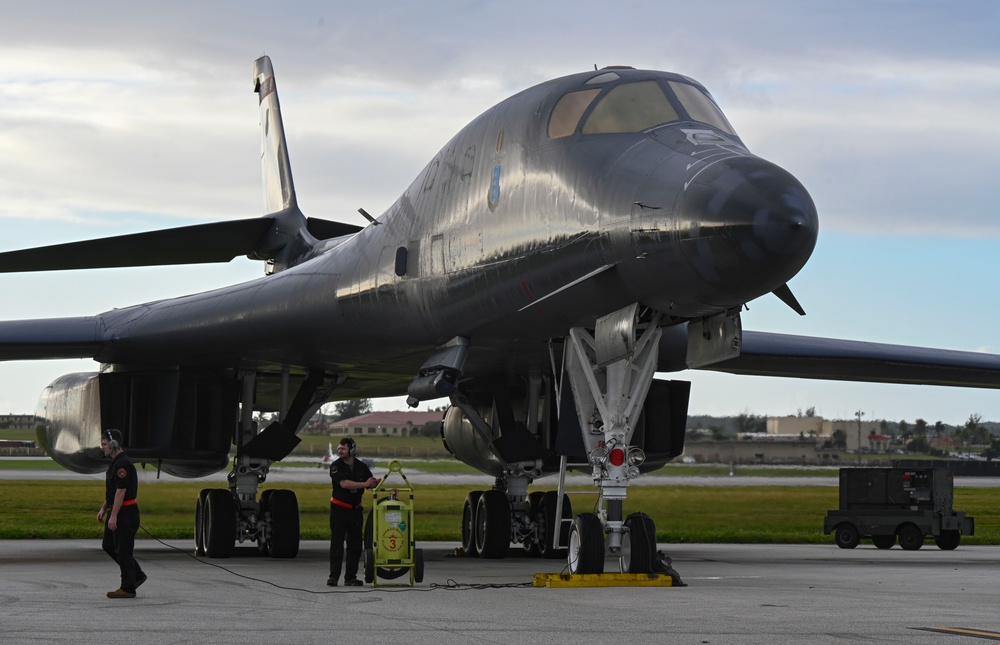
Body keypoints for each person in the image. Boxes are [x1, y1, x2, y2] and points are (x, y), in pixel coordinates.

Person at [97, 428, 147, 598]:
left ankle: (128, 587)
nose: (102, 447)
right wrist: (104, 507)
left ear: (113, 445)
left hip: (125, 512)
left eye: (104, 444)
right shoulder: (115, 462)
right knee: (109, 545)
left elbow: (121, 491)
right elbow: (113, 491)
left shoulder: (122, 464)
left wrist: (114, 515)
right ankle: (137, 575)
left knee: (123, 550)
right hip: (118, 509)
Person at [328, 436, 379, 586]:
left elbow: (370, 482)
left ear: (352, 450)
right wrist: (365, 483)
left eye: (343, 448)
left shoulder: (361, 466)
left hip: (355, 511)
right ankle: (333, 577)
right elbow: (344, 484)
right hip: (339, 510)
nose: (340, 450)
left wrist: (374, 483)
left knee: (355, 545)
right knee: (337, 544)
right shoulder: (335, 466)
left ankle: (350, 577)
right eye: (339, 448)